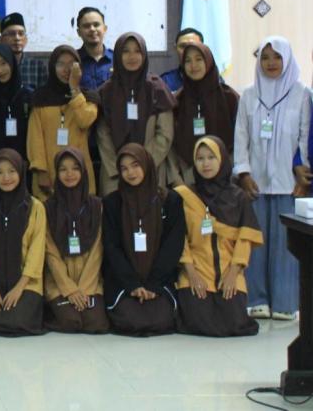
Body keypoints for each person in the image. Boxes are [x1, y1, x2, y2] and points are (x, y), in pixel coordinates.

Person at [234, 36, 310, 321]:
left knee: (286, 247)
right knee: (256, 243)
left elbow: (305, 135)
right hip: (255, 184)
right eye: (265, 57)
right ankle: (257, 300)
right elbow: (240, 136)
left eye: (277, 57)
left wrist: (303, 173)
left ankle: (285, 303)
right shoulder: (249, 94)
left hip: (289, 185)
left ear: (287, 59)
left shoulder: (302, 93)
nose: (271, 63)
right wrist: (243, 172)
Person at [175, 137, 260, 337]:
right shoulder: (185, 196)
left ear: (222, 159)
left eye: (211, 157)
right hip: (196, 269)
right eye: (200, 158)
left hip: (228, 269)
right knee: (198, 320)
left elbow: (245, 238)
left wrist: (233, 273)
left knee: (233, 322)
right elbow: (179, 238)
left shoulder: (239, 197)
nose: (206, 164)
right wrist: (191, 273)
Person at [102, 144, 185, 336]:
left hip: (159, 281)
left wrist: (153, 284)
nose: (130, 173)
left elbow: (173, 246)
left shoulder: (169, 201)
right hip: (124, 282)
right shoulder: (113, 203)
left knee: (160, 319)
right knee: (131, 320)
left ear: (147, 164)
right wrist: (133, 285)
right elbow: (112, 247)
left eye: (135, 165)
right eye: (124, 168)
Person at [0, 149, 46, 336]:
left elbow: (36, 252)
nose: (6, 178)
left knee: (20, 320)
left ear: (20, 172)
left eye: (12, 171)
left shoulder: (35, 208)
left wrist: (19, 288)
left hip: (25, 282)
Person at [96, 32, 176, 194]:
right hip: (114, 173)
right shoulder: (107, 90)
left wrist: (142, 164)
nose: (132, 56)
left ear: (144, 54)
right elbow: (102, 133)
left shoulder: (157, 88)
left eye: (137, 51)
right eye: (126, 51)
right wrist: (120, 167)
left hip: (150, 168)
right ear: (117, 55)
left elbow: (165, 134)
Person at [43, 148, 108, 333]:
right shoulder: (48, 207)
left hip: (90, 282)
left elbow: (98, 250)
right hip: (59, 283)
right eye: (63, 169)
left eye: (75, 168)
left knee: (95, 324)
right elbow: (50, 252)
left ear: (83, 171)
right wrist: (69, 288)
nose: (69, 174)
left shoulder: (96, 206)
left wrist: (84, 288)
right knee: (71, 321)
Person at [27, 45, 98, 199]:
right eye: (60, 64)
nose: (66, 70)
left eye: (72, 64)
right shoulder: (40, 97)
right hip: (48, 173)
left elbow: (84, 120)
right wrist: (40, 170)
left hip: (79, 171)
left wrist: (74, 90)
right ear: (52, 67)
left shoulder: (88, 97)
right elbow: (34, 138)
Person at [166, 41, 240, 187]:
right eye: (188, 61)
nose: (193, 65)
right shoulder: (178, 100)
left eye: (198, 59)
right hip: (188, 176)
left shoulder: (229, 97)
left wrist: (230, 170)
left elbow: (240, 138)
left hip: (227, 176)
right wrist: (179, 178)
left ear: (208, 61)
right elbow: (172, 143)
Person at [0, 12, 47, 91]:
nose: (17, 38)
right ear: (0, 39)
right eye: (11, 34)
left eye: (21, 33)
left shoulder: (38, 66)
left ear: (26, 39)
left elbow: (44, 96)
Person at [74, 7, 113, 92]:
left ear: (105, 29)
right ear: (79, 32)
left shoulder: (117, 59)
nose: (92, 29)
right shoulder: (73, 60)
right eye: (86, 26)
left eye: (96, 25)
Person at [160, 28, 205, 93]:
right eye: (183, 46)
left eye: (193, 46)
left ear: (203, 48)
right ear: (175, 48)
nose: (187, 50)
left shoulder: (214, 79)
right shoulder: (165, 81)